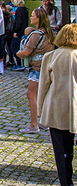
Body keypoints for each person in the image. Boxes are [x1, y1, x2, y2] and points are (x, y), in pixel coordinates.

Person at [38, 24, 77, 186]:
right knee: (67, 148)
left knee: (61, 151)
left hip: (55, 107)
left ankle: (65, 182)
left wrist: (40, 110)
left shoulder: (51, 56)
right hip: (74, 106)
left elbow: (43, 86)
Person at [16, 7, 55, 133]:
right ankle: (46, 121)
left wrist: (18, 54)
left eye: (33, 16)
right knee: (45, 94)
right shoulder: (50, 33)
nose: (31, 18)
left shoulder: (37, 34)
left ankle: (34, 124)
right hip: (48, 67)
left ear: (39, 19)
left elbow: (27, 52)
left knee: (31, 94)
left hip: (37, 68)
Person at [11, 0, 29, 71]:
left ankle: (19, 63)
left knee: (14, 47)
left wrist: (15, 31)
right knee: (20, 47)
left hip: (19, 31)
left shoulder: (19, 10)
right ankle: (21, 63)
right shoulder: (25, 10)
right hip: (23, 30)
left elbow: (19, 22)